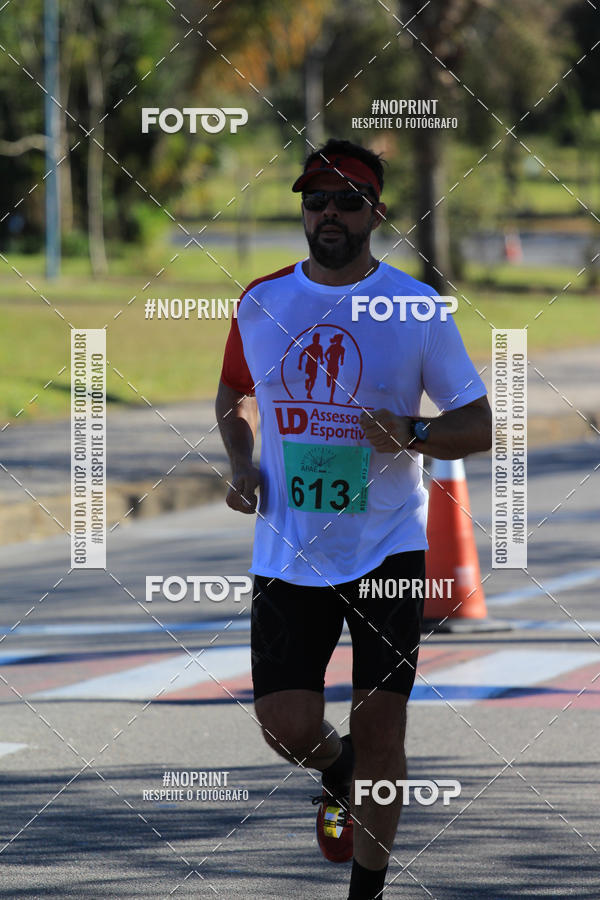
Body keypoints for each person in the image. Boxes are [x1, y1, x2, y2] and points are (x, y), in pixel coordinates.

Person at [216, 138, 491, 900]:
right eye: (315, 199)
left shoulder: (416, 308)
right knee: (286, 726)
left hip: (387, 549)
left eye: (347, 198)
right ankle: (338, 774)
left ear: (375, 210)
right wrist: (242, 464)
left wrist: (415, 433)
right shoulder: (264, 300)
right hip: (289, 551)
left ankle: (366, 894)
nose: (329, 212)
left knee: (382, 732)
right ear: (302, 210)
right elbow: (235, 394)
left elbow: (479, 423)